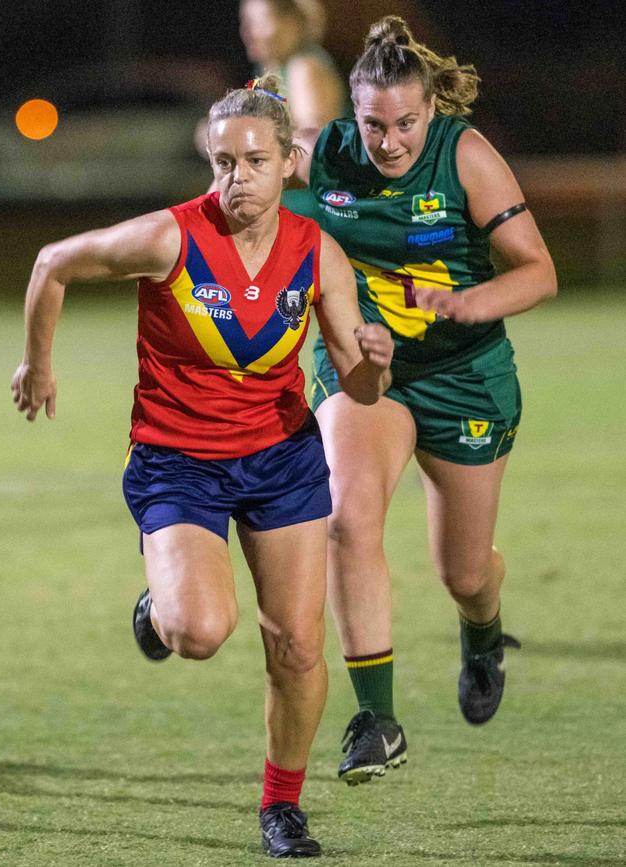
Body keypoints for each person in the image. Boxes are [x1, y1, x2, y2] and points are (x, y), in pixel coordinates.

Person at [10, 75, 393, 857]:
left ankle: (281, 806)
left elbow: (357, 380)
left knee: (295, 646)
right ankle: (159, 609)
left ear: (288, 163)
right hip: (177, 459)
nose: (234, 180)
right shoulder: (171, 238)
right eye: (221, 163)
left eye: (252, 162)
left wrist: (377, 366)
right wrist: (36, 366)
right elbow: (53, 262)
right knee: (200, 629)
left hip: (282, 459)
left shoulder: (317, 254)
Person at [290, 16, 557, 785]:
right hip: (366, 367)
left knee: (465, 572)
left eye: (405, 122)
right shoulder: (332, 150)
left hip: (465, 370)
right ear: (353, 113)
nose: (390, 142)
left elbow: (537, 272)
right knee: (347, 515)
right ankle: (377, 718)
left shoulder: (465, 156)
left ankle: (482, 631)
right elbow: (253, 157)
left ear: (430, 110)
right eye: (374, 123)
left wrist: (467, 302)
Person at [239, 0, 346, 130]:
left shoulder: (303, 68)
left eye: (259, 22)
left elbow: (312, 138)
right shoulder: (270, 70)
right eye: (246, 22)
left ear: (291, 23)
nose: (248, 33)